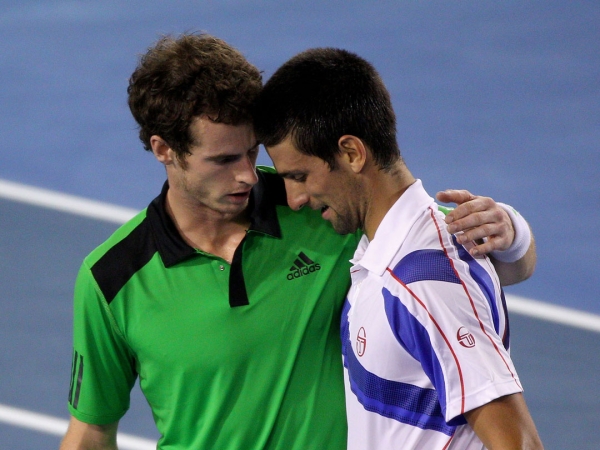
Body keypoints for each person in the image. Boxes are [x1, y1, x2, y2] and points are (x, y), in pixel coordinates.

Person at [60, 33, 537, 450]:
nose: (249, 175)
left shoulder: (322, 205)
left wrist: (512, 232)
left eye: (251, 152)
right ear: (164, 150)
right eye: (224, 160)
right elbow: (91, 433)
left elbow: (457, 257)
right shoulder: (111, 279)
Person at [253, 48, 543, 449]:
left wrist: (513, 233)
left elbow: (521, 444)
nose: (295, 198)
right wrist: (515, 233)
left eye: (300, 176)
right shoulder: (386, 248)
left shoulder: (424, 281)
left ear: (352, 153)